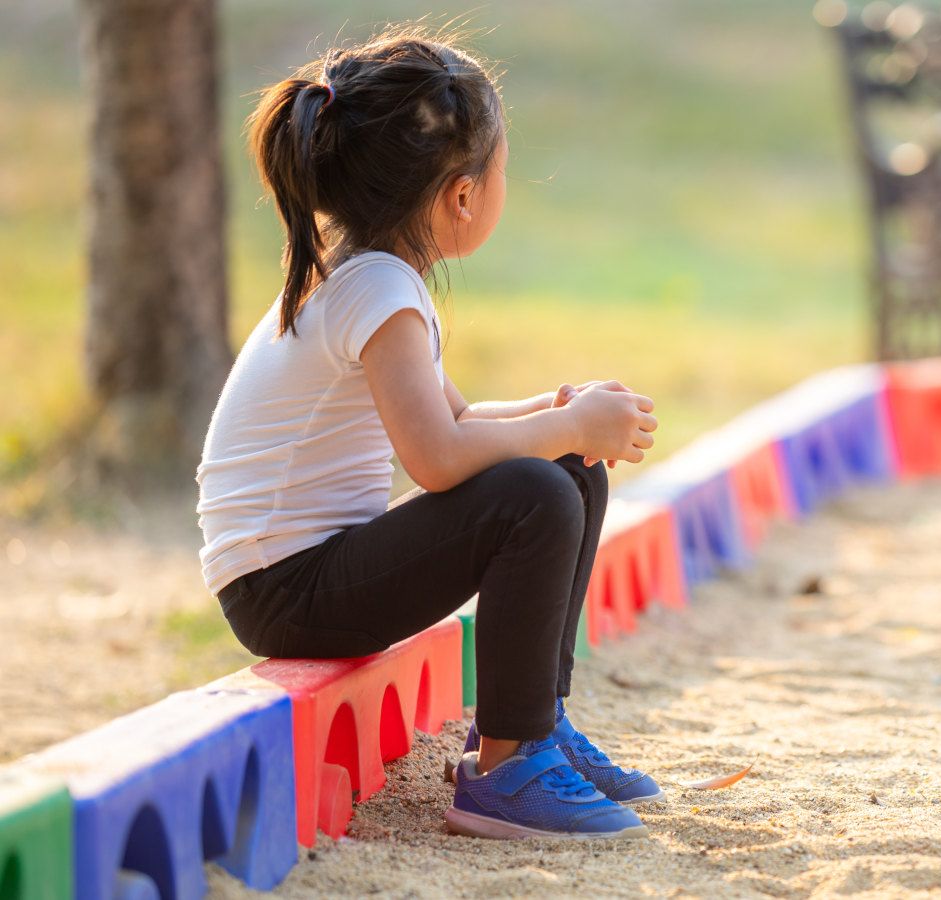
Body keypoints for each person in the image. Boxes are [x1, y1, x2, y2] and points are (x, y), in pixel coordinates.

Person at [199, 28, 663, 840]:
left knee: (568, 466)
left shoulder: (367, 273)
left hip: (304, 573)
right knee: (534, 493)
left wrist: (559, 416)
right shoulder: (377, 287)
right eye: (503, 172)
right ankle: (507, 771)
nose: (503, 187)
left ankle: (536, 726)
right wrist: (562, 426)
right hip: (284, 591)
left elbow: (453, 420)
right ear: (460, 195)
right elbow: (438, 460)